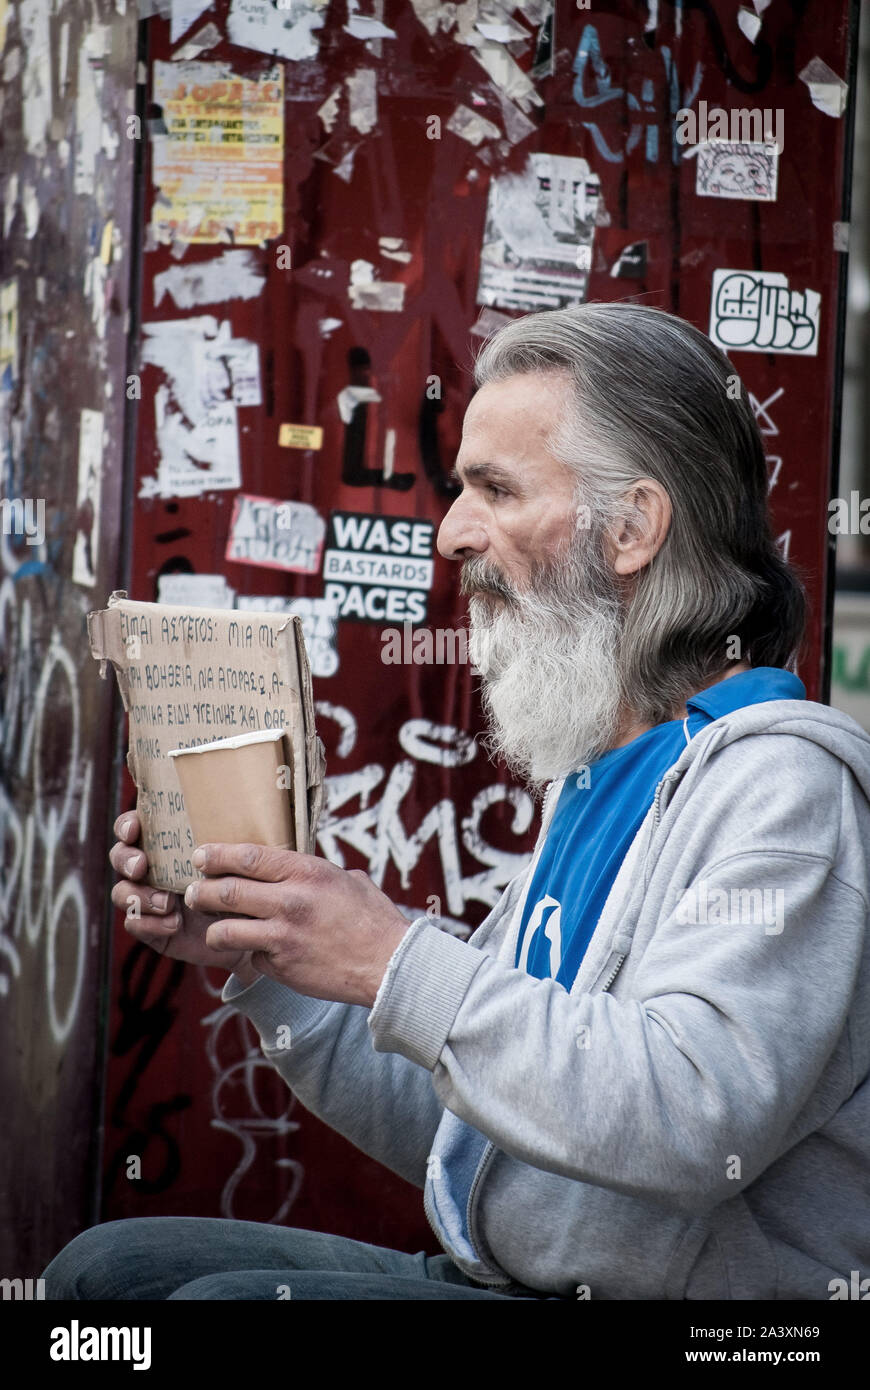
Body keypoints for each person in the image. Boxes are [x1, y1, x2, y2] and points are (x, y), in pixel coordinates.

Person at [43, 302, 870, 1301]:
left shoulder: (784, 785)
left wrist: (390, 957)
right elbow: (478, 1120)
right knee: (105, 1272)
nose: (450, 534)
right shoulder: (604, 773)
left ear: (632, 528)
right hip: (507, 1272)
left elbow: (694, 1114)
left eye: (496, 490)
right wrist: (267, 951)